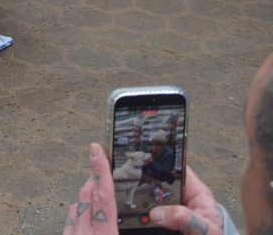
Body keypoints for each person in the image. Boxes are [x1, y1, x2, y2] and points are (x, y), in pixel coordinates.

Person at [63, 51, 273, 235]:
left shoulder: (167, 155)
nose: (245, 171)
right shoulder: (153, 152)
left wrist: (149, 165)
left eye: (251, 152)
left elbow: (166, 174)